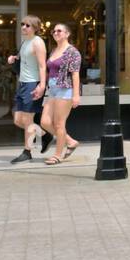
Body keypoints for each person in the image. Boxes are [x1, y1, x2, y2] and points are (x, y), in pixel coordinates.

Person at [7, 15, 48, 163]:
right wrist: (14, 58)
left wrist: (42, 85)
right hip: (22, 83)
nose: (23, 27)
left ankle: (27, 151)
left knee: (28, 120)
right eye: (22, 24)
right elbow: (23, 57)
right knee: (18, 119)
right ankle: (44, 134)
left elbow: (42, 66)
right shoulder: (25, 42)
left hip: (32, 83)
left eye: (27, 25)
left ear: (35, 28)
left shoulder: (38, 42)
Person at [40, 22, 82, 165]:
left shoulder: (73, 52)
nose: (56, 33)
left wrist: (76, 95)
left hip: (65, 90)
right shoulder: (53, 50)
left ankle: (58, 155)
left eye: (59, 31)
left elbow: (75, 74)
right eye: (54, 31)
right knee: (44, 122)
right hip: (52, 90)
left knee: (59, 124)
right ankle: (70, 141)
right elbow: (49, 71)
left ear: (67, 34)